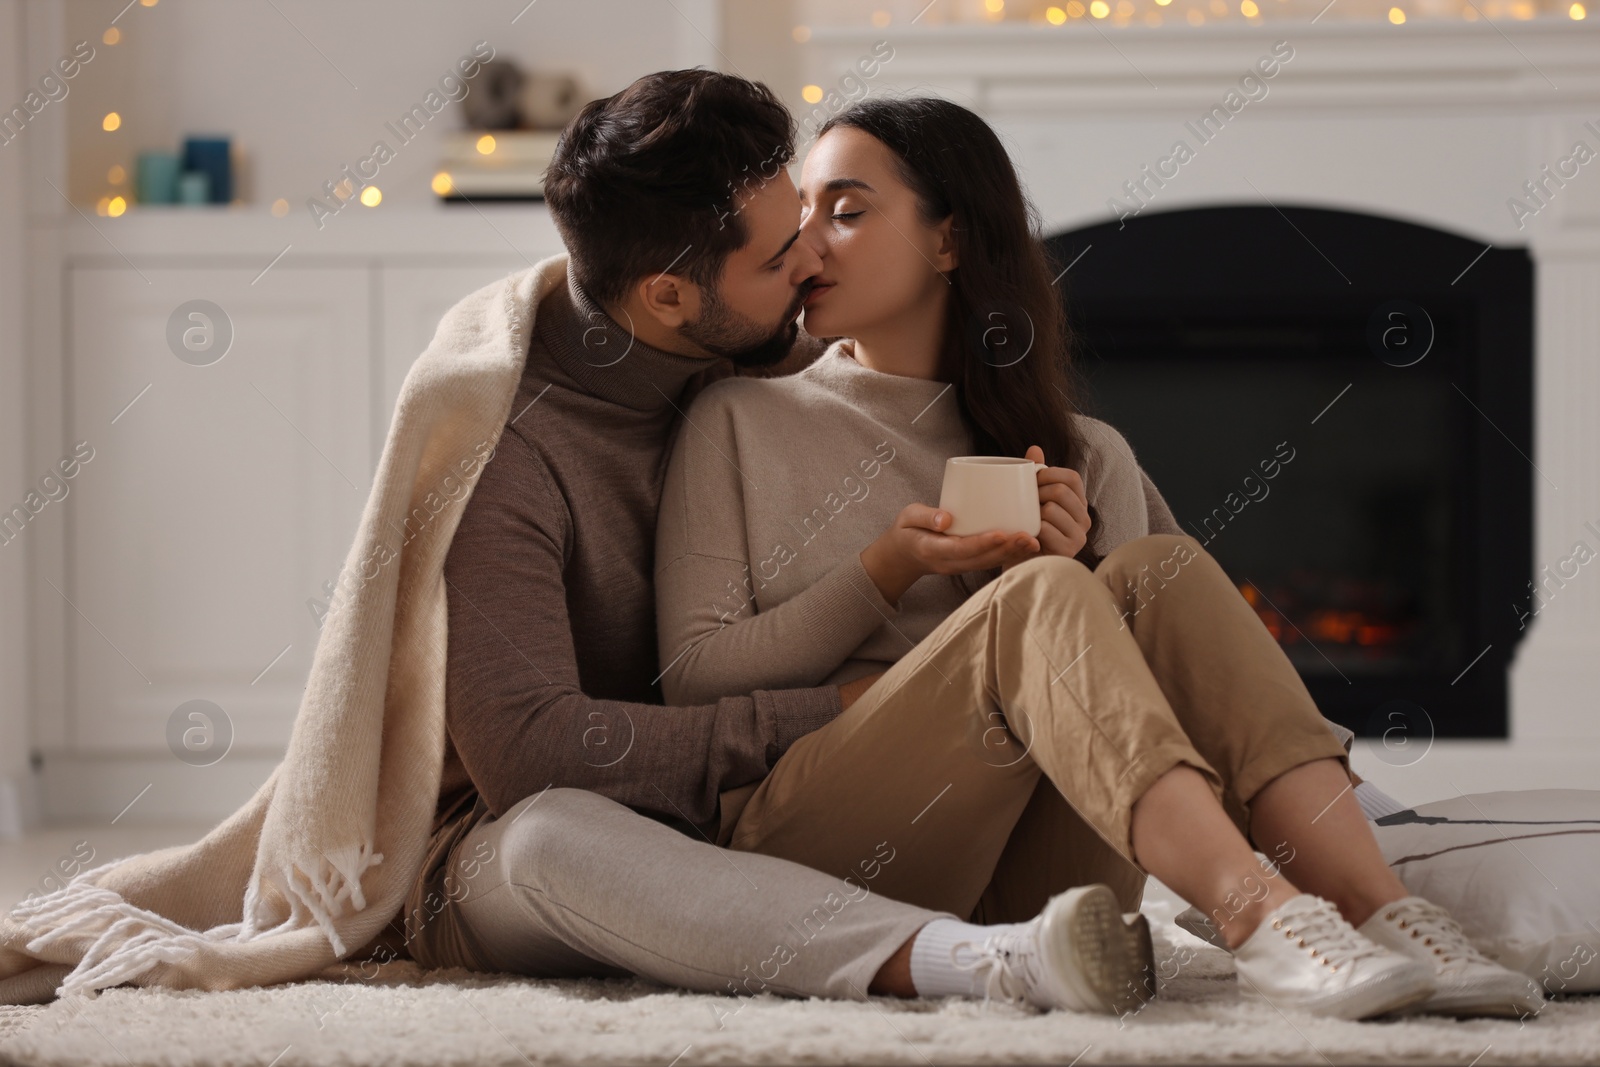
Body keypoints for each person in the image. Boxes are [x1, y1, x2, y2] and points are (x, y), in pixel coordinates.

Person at [651, 95, 1545, 1022]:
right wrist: (886, 569)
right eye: (802, 214)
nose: (808, 246)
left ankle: (1380, 910)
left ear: (950, 241)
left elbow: (1180, 687)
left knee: (1158, 569)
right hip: (820, 861)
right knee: (1048, 592)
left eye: (846, 210)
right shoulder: (740, 418)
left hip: (1042, 898)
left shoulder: (1083, 450)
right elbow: (693, 677)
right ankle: (1265, 919)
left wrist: (1065, 572)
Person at [400, 69, 1155, 1018]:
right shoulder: (505, 451)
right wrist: (833, 707)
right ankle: (977, 961)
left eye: (809, 221)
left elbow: (1144, 575)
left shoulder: (766, 353)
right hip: (524, 833)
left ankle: (1346, 841)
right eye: (779, 256)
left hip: (749, 822)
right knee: (549, 836)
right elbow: (529, 750)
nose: (809, 264)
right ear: (671, 297)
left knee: (1149, 568)